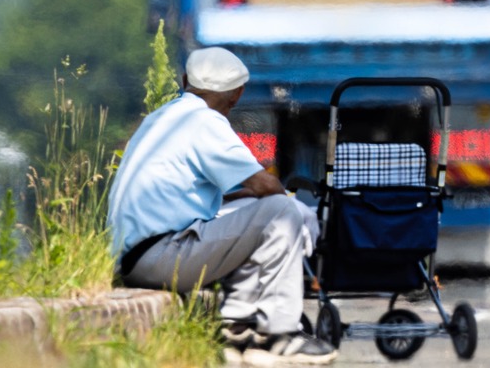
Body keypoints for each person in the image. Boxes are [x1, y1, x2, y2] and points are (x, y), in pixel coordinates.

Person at [107, 47, 337, 364]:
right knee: (282, 211)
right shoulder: (204, 121)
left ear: (186, 80)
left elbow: (221, 197)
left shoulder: (161, 118)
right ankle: (279, 335)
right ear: (238, 93)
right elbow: (265, 186)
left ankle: (238, 330)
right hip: (161, 258)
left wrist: (249, 204)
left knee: (258, 218)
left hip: (134, 259)